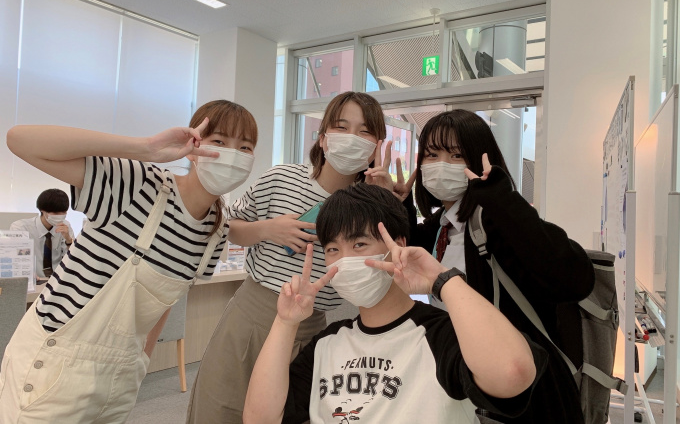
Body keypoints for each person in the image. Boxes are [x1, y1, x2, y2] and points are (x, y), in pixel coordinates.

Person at [0, 99, 258, 424]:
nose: (232, 154)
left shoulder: (215, 230)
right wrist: (146, 147)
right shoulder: (139, 185)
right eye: (219, 141)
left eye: (245, 147)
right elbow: (20, 140)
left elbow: (165, 300)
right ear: (193, 147)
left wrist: (139, 363)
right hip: (55, 364)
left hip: (119, 378)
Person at [243, 183, 547, 424]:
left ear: (398, 245)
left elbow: (512, 374)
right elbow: (260, 419)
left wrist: (442, 281)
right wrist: (285, 323)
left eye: (359, 244)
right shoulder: (328, 342)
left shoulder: (440, 335)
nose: (345, 260)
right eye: (333, 249)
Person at [187, 91, 393, 423]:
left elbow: (389, 273)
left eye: (365, 131)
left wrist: (387, 201)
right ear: (323, 138)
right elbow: (228, 227)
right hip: (251, 315)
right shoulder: (282, 178)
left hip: (311, 328)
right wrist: (268, 229)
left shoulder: (371, 205)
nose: (352, 138)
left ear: (377, 146)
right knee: (220, 409)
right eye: (342, 127)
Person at [393, 110, 595, 423]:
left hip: (524, 395)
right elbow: (413, 251)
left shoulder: (494, 223)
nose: (441, 164)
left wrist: (500, 199)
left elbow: (574, 277)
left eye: (456, 155)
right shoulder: (441, 225)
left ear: (478, 159)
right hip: (469, 383)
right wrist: (401, 203)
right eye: (431, 155)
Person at [10, 188, 75, 284]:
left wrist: (68, 240)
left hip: (58, 281)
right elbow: (17, 258)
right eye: (56, 213)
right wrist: (27, 273)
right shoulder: (21, 227)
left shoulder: (66, 226)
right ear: (42, 211)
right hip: (34, 280)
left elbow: (73, 260)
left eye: (64, 212)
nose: (60, 216)